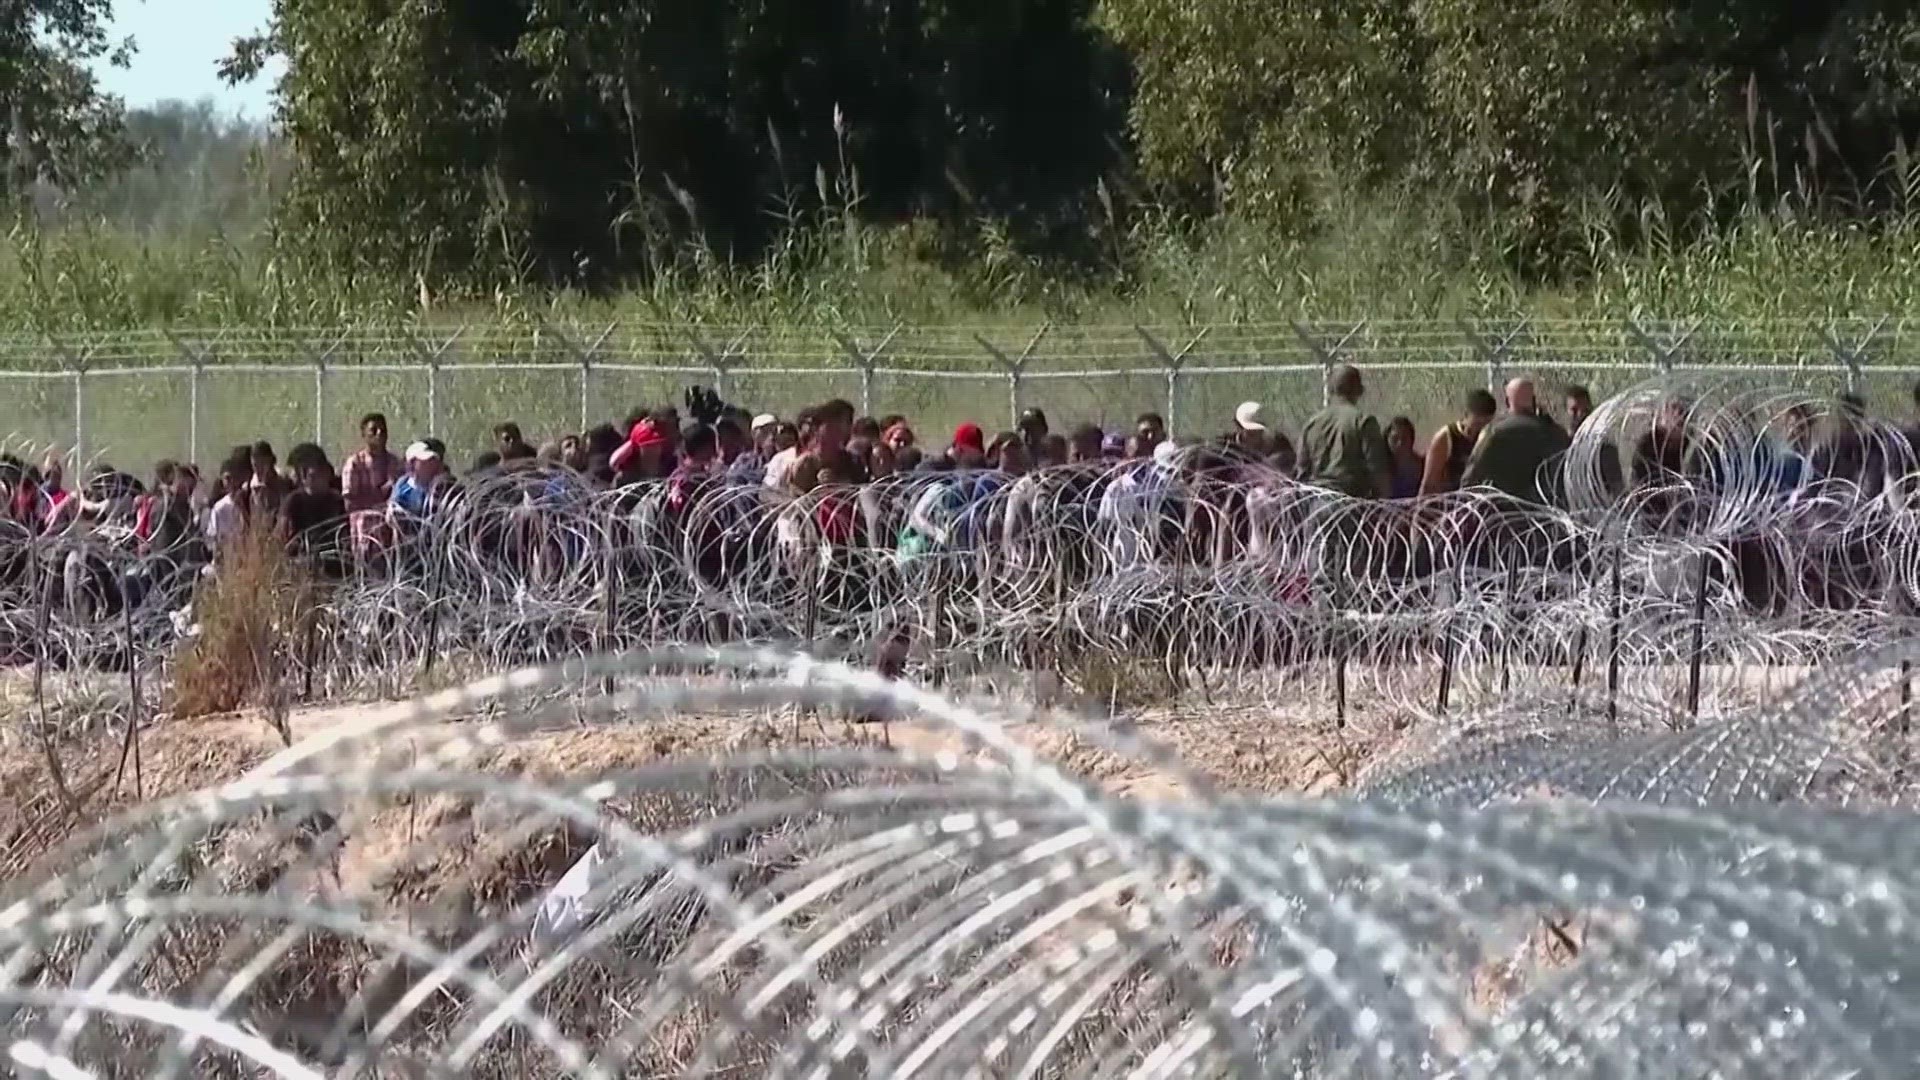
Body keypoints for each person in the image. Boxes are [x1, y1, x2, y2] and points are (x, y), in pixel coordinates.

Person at [1462, 377, 1572, 503]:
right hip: (1548, 511)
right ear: (1534, 400)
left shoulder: (1495, 433)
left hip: (1505, 511)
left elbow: (1470, 479)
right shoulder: (1556, 433)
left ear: (1507, 401)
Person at [1298, 365, 1391, 498]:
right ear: (1359, 390)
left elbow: (1302, 471)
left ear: (1330, 390)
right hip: (1351, 501)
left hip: (1317, 500)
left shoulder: (1312, 424)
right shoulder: (1363, 422)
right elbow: (1377, 469)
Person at [343, 411, 403, 562]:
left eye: (383, 430)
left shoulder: (394, 462)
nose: (379, 434)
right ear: (364, 435)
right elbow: (350, 504)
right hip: (364, 530)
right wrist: (382, 493)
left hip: (390, 529)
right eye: (373, 430)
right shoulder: (355, 464)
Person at [1419, 389, 1497, 496]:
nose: (1481, 429)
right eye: (1477, 423)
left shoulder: (1490, 437)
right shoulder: (1446, 438)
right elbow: (1429, 483)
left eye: (1486, 424)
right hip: (1449, 503)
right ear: (1466, 415)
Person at [391, 441, 450, 518]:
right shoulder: (402, 485)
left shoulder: (443, 486)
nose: (432, 464)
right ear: (412, 464)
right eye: (426, 461)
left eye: (433, 460)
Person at [1385, 416, 1423, 499]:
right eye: (1395, 439)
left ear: (1411, 440)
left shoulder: (1424, 466)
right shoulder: (1382, 468)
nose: (1400, 443)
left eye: (1404, 438)